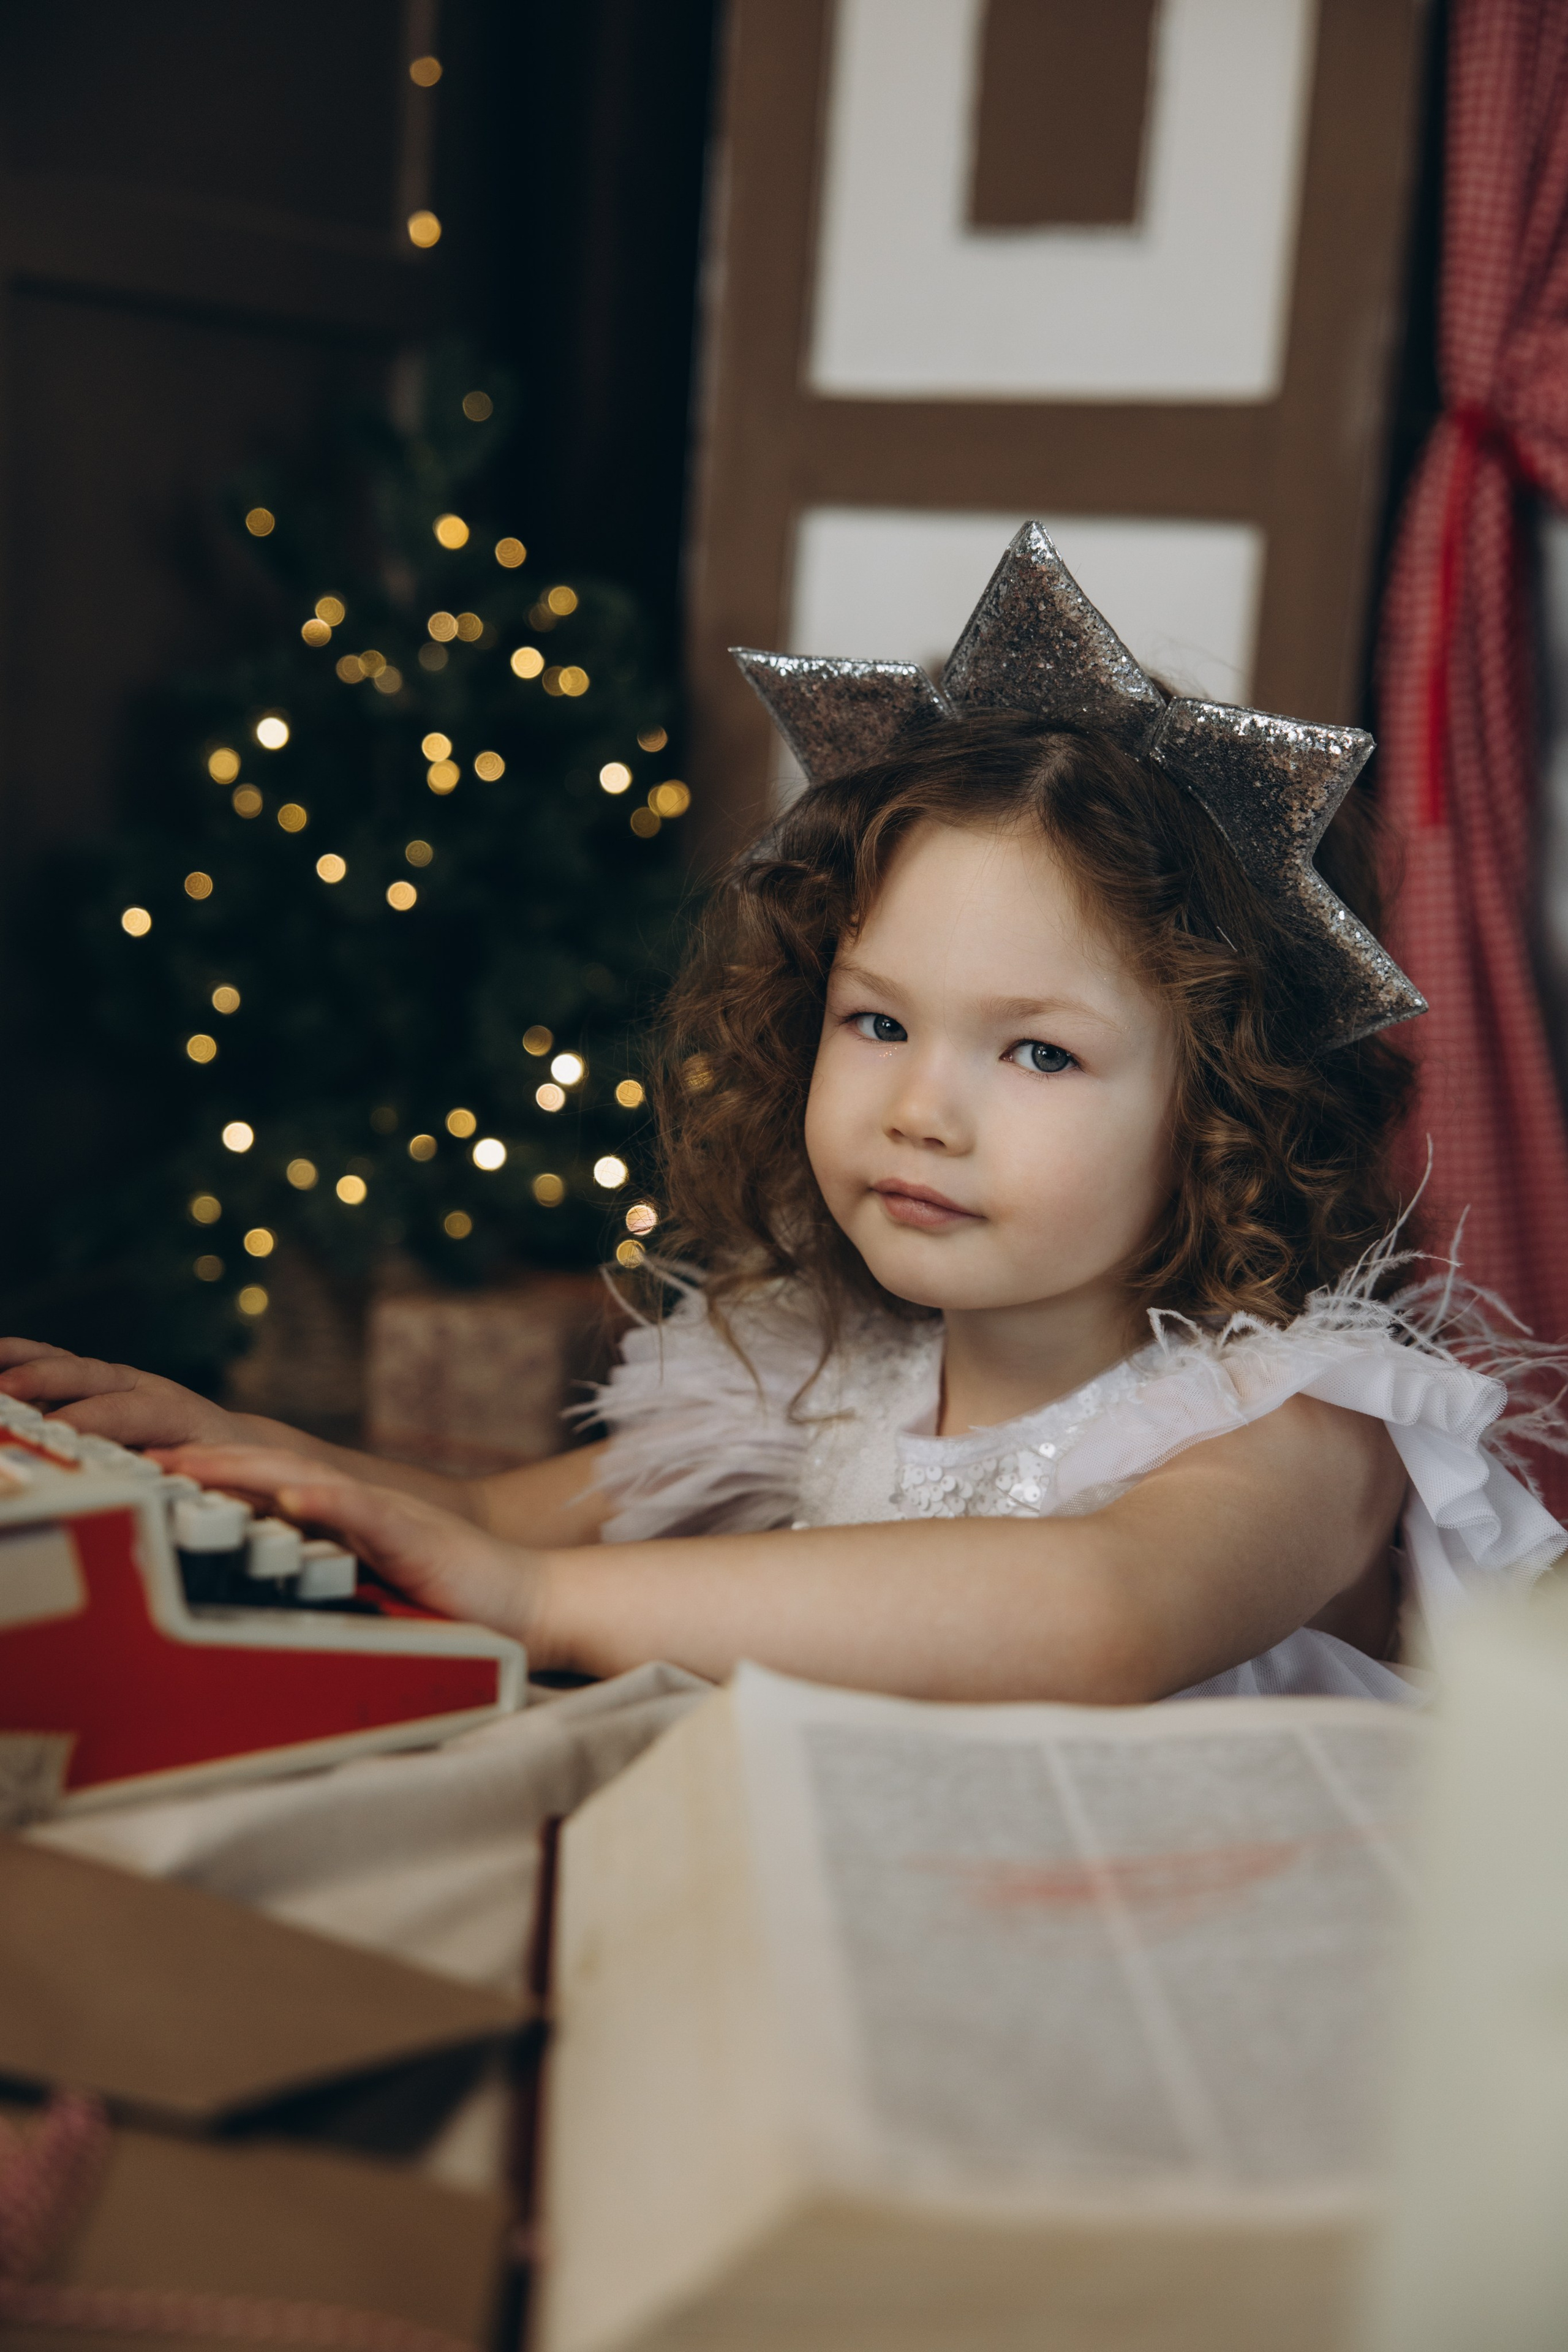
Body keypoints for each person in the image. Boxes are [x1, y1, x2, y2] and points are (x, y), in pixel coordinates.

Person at [6, 529, 1563, 1706]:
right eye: (875, 1022)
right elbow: (481, 1514)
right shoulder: (822, 1378)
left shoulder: (1298, 1429)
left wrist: (540, 1606)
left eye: (1034, 1056)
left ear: (1225, 1102)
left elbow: (1101, 1610)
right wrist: (250, 1450)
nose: (918, 1110)